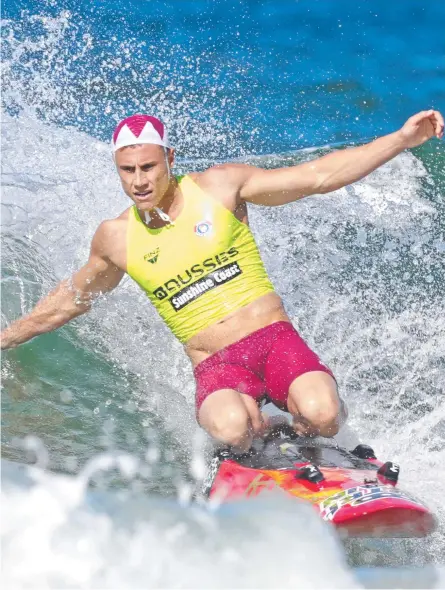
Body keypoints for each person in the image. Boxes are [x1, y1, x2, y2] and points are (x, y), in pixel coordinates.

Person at [1, 110, 443, 452]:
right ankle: (251, 440)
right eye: (128, 170)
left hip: (274, 341)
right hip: (218, 366)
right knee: (232, 429)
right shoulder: (116, 239)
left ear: (170, 159)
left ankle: (317, 434)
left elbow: (317, 177)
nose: (139, 181)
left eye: (149, 167)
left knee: (323, 412)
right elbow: (72, 299)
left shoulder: (218, 188)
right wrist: (6, 338)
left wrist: (402, 139)